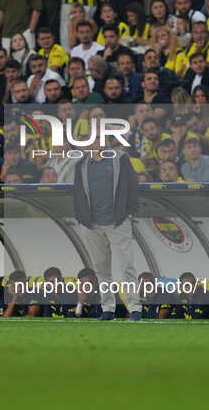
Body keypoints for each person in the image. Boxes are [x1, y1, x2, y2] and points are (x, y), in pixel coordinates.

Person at [72, 135, 140, 321]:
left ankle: (134, 309)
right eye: (92, 140)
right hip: (91, 225)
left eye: (99, 139)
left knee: (127, 267)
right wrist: (81, 218)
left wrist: (128, 213)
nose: (96, 143)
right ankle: (108, 309)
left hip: (117, 222)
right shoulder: (82, 164)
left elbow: (134, 186)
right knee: (101, 270)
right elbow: (77, 193)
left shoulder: (120, 158)